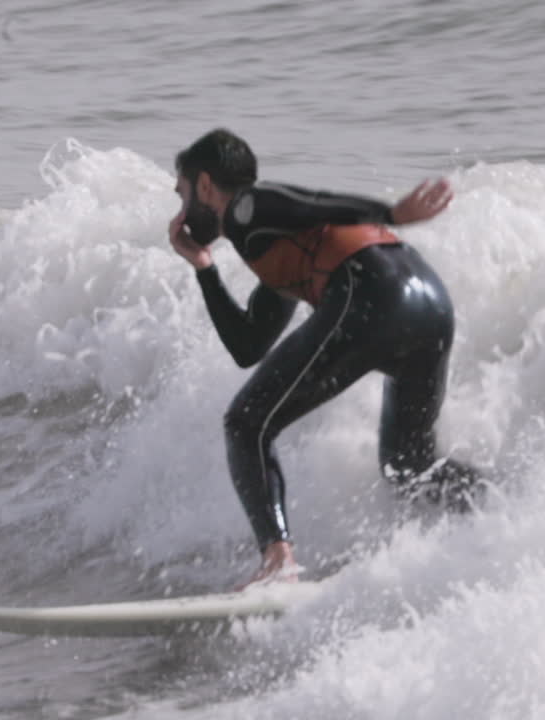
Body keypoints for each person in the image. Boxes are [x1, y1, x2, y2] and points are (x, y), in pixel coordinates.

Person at [167, 128, 480, 589]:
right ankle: (502, 509)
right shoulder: (279, 249)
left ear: (206, 186)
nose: (180, 212)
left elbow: (309, 202)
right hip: (430, 306)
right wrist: (203, 267)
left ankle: (278, 563)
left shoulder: (246, 209)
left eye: (182, 194)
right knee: (408, 465)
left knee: (246, 424)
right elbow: (247, 346)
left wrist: (391, 214)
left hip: (373, 295)